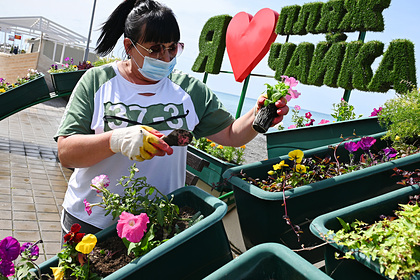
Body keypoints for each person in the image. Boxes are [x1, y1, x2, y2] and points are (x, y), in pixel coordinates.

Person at [55, 0, 289, 236]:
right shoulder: (98, 81)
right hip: (92, 221)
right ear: (129, 46)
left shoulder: (188, 90)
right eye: (155, 49)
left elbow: (231, 134)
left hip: (159, 222)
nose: (165, 57)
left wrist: (258, 114)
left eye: (172, 48)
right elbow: (66, 152)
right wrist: (115, 140)